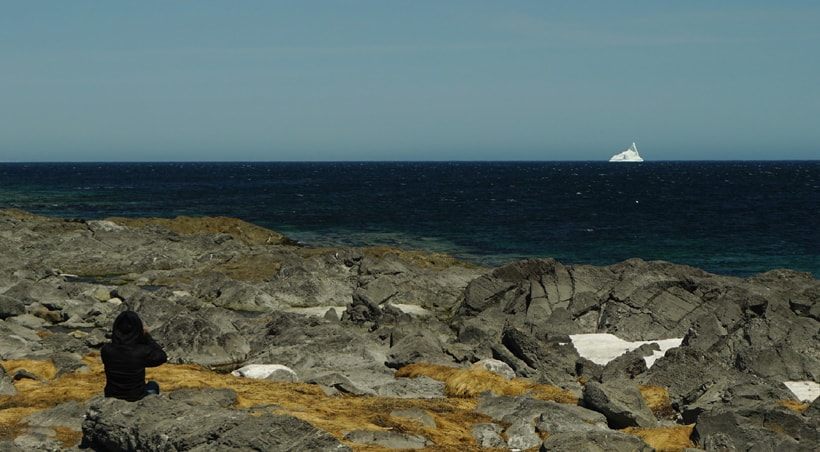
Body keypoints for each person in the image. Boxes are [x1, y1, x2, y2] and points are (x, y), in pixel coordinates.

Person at [101, 310, 167, 401]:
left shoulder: (106, 350)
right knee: (153, 385)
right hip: (136, 396)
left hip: (112, 395)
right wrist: (146, 336)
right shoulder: (142, 351)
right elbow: (162, 356)